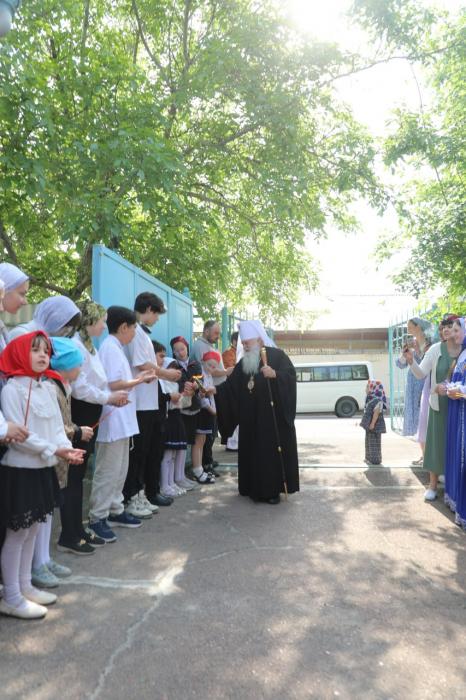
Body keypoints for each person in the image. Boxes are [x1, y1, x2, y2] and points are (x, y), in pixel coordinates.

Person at [0, 331, 84, 619]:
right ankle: (11, 596)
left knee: (33, 530)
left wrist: (65, 448)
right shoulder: (12, 389)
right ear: (19, 354)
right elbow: (20, 437)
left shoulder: (47, 387)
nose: (42, 355)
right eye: (35, 350)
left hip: (43, 468)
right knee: (17, 533)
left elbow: (57, 428)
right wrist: (54, 449)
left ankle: (26, 586)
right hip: (20, 471)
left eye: (46, 351)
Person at [88, 306, 156, 543]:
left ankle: (115, 509)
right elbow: (114, 384)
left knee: (119, 470)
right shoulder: (110, 348)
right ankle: (97, 517)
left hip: (123, 419)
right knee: (108, 470)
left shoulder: (115, 348)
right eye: (134, 328)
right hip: (113, 419)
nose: (135, 333)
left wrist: (137, 380)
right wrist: (140, 379)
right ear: (124, 327)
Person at [215, 320, 299, 504]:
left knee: (268, 455)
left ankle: (271, 491)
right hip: (250, 420)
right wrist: (215, 391)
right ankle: (250, 486)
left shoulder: (277, 356)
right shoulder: (244, 363)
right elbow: (231, 388)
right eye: (243, 344)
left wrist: (275, 375)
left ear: (260, 341)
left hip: (271, 420)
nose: (245, 347)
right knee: (252, 453)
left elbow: (291, 378)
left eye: (248, 343)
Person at [123, 292, 181, 516]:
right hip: (139, 403)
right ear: (148, 309)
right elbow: (142, 364)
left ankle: (141, 494)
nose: (157, 319)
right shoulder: (136, 332)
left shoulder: (141, 333)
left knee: (147, 451)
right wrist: (166, 373)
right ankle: (132, 497)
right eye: (156, 314)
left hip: (148, 402)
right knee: (138, 453)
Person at [47, 337, 98, 556]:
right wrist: (77, 431)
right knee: (67, 489)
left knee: (75, 485)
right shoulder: (51, 387)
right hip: (58, 450)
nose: (80, 369)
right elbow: (54, 424)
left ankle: (77, 530)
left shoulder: (63, 385)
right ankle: (68, 536)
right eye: (78, 365)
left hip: (68, 444)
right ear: (66, 365)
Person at [406, 315, 464, 501]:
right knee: (436, 445)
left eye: (451, 327)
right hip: (439, 406)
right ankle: (432, 485)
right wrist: (411, 361)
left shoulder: (463, 351)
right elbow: (421, 373)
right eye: (444, 326)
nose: (446, 330)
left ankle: (454, 487)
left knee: (456, 446)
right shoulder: (435, 349)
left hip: (460, 407)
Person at [170, 336, 214, 484]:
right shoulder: (173, 366)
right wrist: (185, 387)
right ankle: (177, 476)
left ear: (187, 348)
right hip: (181, 408)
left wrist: (195, 386)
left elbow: (199, 380)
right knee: (181, 443)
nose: (180, 352)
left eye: (182, 349)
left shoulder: (195, 364)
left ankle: (185, 474)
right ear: (173, 352)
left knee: (192, 441)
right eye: (176, 350)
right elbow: (175, 382)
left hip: (195, 407)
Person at [190, 321, 232, 473]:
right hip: (206, 393)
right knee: (206, 432)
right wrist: (227, 372)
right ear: (206, 331)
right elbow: (209, 370)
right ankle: (204, 464)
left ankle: (207, 460)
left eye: (219, 333)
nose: (218, 336)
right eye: (215, 333)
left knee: (211, 431)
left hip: (213, 392)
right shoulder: (200, 346)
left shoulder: (209, 345)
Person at [445, 319, 466, 525]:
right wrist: (450, 387)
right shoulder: (462, 355)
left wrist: (459, 390)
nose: (454, 333)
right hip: (457, 411)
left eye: (457, 330)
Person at [190, 351, 219, 485]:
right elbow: (202, 395)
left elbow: (210, 394)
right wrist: (211, 409)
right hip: (202, 412)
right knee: (198, 442)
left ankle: (200, 468)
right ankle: (197, 470)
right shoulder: (201, 374)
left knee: (202, 441)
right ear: (203, 362)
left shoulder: (209, 375)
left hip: (208, 412)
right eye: (209, 365)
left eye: (214, 367)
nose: (211, 368)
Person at [9, 294, 81, 341]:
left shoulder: (47, 340)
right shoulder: (21, 334)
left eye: (71, 326)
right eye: (66, 325)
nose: (68, 330)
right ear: (53, 317)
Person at [360, 380, 387, 465]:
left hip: (375, 425)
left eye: (368, 387)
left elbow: (376, 413)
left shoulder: (377, 400)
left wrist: (372, 424)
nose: (366, 389)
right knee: (368, 441)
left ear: (374, 388)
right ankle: (368, 458)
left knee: (374, 443)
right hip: (370, 425)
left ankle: (375, 460)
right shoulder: (370, 398)